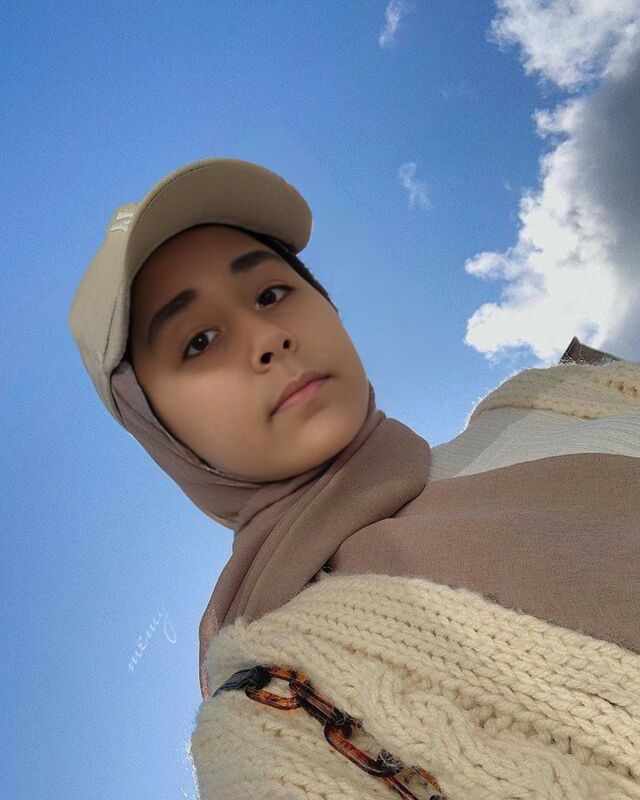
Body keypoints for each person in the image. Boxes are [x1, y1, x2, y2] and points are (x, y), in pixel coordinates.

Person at [68, 156, 640, 799]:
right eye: (198, 341)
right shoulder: (275, 720)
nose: (266, 337)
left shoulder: (558, 400)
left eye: (271, 294)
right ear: (158, 428)